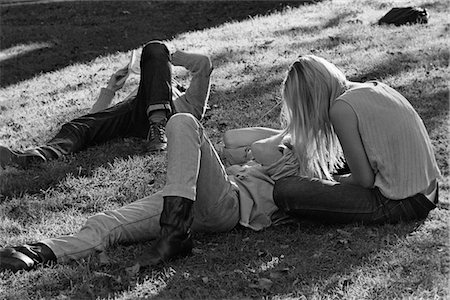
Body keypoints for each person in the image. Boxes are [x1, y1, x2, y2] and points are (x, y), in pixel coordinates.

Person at [0, 44, 300, 273]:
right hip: (184, 193)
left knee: (180, 118)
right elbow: (233, 140)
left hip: (224, 201)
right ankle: (37, 251)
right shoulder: (145, 100)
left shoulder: (293, 152)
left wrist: (170, 56)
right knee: (107, 221)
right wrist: (110, 89)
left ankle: (174, 232)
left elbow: (205, 69)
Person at [272, 55, 441, 224]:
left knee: (285, 189)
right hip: (426, 191)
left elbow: (364, 181)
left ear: (311, 100)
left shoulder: (341, 109)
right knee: (329, 164)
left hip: (400, 201)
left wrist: (323, 179)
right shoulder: (371, 88)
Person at [0, 40, 213, 169]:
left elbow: (203, 64)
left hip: (169, 120)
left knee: (155, 47)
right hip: (133, 115)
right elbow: (93, 120)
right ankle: (38, 156)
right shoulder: (141, 96)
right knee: (77, 126)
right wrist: (111, 89)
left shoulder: (190, 104)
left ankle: (158, 129)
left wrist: (166, 57)